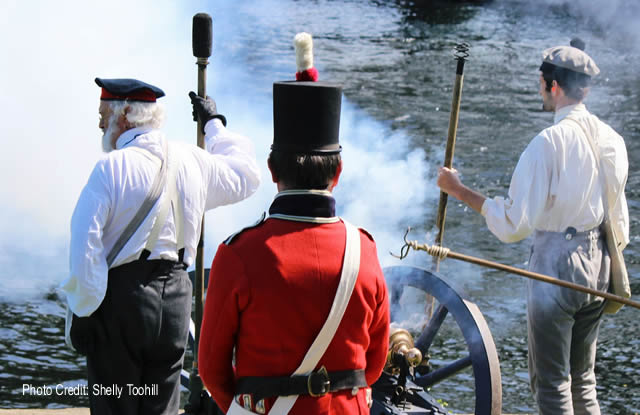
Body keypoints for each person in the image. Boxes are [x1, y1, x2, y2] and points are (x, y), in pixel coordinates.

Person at [436, 42, 629, 414]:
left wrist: (457, 190)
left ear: (552, 86)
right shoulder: (613, 140)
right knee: (583, 381)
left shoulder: (548, 144)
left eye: (540, 82)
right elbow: (618, 217)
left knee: (553, 384)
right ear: (584, 88)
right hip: (601, 262)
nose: (539, 88)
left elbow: (513, 224)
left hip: (558, 265)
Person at [59, 77, 260, 415]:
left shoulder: (110, 168)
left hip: (122, 301)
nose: (99, 123)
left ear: (125, 115)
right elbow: (246, 175)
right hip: (176, 300)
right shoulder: (192, 160)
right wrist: (214, 125)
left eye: (103, 113)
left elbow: (85, 246)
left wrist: (88, 310)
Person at [198, 76, 391, 413]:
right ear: (339, 171)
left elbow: (212, 373)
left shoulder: (238, 254)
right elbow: (373, 366)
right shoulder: (365, 250)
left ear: (272, 171)